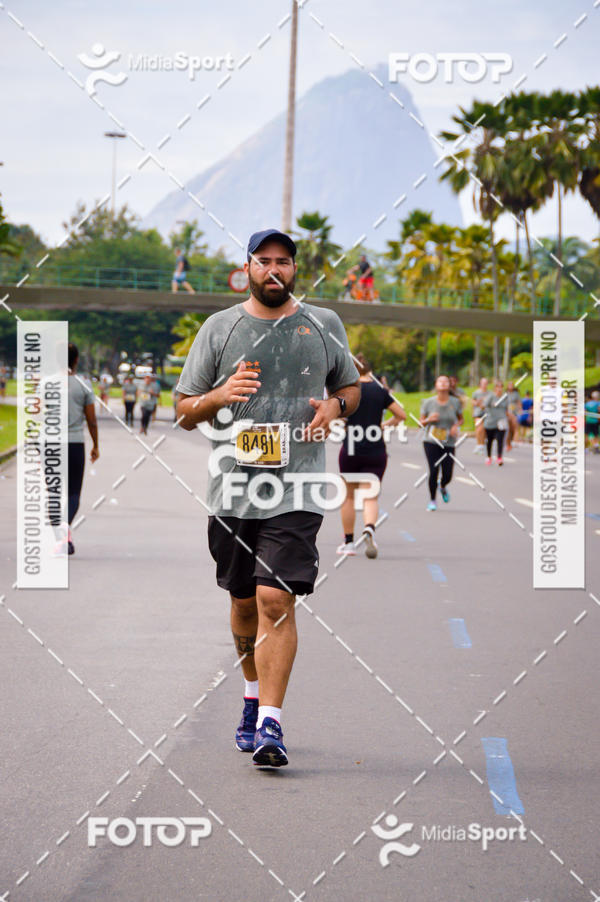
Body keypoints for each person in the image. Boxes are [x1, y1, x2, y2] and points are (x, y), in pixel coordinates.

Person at [176, 227, 360, 767]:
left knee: (275, 601)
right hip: (233, 488)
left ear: (295, 269)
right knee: (241, 607)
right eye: (264, 261)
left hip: (298, 487)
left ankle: (272, 724)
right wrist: (219, 396)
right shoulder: (219, 329)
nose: (274, 270)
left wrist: (336, 409)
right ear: (248, 268)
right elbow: (185, 412)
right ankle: (252, 695)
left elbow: (347, 387)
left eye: (284, 261)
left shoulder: (323, 325)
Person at [336, 353, 406, 558]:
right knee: (370, 495)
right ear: (369, 369)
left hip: (350, 449)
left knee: (348, 496)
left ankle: (348, 542)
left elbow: (336, 416)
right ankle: (369, 528)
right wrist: (383, 426)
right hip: (376, 449)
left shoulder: (348, 391)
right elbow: (401, 415)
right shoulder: (380, 391)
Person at [68, 343, 99, 555]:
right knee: (73, 492)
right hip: (74, 444)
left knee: (54, 491)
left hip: (50, 444)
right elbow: (91, 420)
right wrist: (96, 445)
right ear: (76, 359)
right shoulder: (83, 384)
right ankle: (64, 532)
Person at [420, 375, 463, 511]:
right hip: (431, 441)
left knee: (448, 473)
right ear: (436, 385)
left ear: (449, 385)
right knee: (433, 470)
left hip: (448, 442)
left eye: (446, 381)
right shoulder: (428, 402)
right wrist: (429, 419)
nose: (443, 383)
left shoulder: (455, 402)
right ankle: (432, 500)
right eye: (440, 381)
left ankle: (442, 486)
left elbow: (461, 419)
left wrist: (456, 426)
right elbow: (420, 422)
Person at [482, 380, 510, 465]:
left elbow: (506, 408)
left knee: (500, 440)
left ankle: (499, 457)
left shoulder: (505, 397)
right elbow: (484, 405)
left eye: (501, 387)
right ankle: (489, 456)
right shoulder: (491, 396)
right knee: (489, 440)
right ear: (495, 388)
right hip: (490, 421)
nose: (499, 389)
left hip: (501, 421)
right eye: (497, 387)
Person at [471, 377, 490, 454]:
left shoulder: (489, 393)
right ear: (480, 384)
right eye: (483, 383)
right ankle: (478, 444)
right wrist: (478, 403)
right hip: (478, 413)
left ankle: (482, 445)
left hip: (487, 413)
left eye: (486, 383)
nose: (484, 385)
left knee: (484, 430)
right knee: (479, 429)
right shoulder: (476, 393)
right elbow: (473, 402)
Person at [505, 381, 521, 452]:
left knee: (515, 426)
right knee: (508, 429)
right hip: (507, 413)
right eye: (509, 384)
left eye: (512, 385)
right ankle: (508, 443)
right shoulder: (505, 394)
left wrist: (520, 410)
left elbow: (519, 403)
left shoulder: (516, 394)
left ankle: (515, 441)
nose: (511, 386)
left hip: (514, 412)